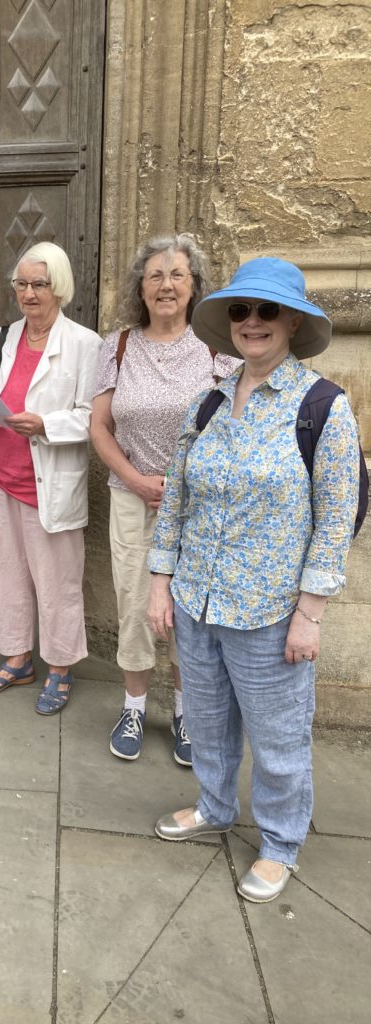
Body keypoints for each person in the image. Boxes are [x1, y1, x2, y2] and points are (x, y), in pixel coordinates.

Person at [147, 257, 360, 903]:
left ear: (292, 321)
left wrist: (311, 614)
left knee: (278, 740)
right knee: (208, 723)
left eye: (268, 310)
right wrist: (160, 583)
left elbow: (336, 517)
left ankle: (280, 842)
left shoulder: (322, 406)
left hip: (270, 610)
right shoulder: (208, 402)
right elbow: (176, 499)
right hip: (198, 599)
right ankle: (215, 806)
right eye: (241, 310)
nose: (253, 322)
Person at [90, 234, 239, 765]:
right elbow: (99, 427)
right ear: (141, 287)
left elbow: (233, 428)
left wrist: (183, 483)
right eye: (155, 275)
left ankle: (184, 711)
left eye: (178, 275)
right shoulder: (118, 346)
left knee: (188, 610)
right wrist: (134, 479)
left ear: (195, 286)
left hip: (198, 503)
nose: (166, 285)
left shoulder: (218, 348)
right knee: (134, 603)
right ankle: (133, 707)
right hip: (133, 498)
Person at [0, 242, 101, 715]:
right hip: (0, 473)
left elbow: (93, 418)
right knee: (8, 574)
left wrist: (45, 424)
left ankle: (60, 667)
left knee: (57, 582)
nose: (29, 293)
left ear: (59, 287)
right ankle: (17, 659)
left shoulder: (84, 344)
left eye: (39, 284)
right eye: (21, 284)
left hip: (49, 482)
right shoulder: (1, 338)